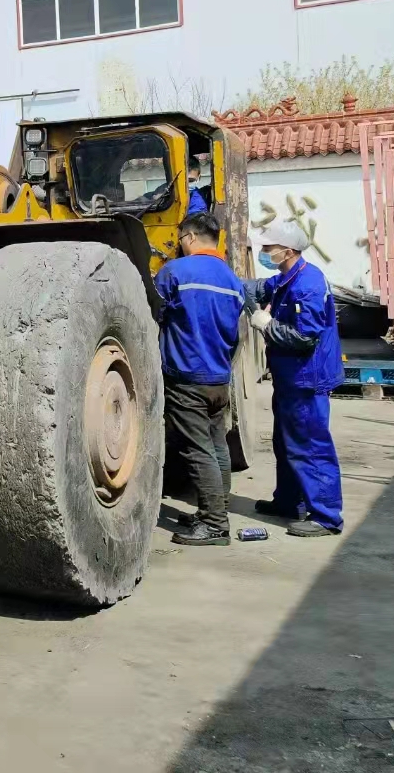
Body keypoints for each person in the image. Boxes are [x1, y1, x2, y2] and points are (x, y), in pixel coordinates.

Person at [249, 219, 346, 537]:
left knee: (310, 446)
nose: (263, 252)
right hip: (290, 379)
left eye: (268, 248)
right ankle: (289, 502)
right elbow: (258, 287)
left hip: (306, 379)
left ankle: (326, 516)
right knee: (286, 443)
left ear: (287, 250)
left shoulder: (308, 285)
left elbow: (305, 337)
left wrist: (267, 326)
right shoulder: (285, 279)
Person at [154, 211, 245, 545]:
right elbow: (235, 334)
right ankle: (215, 510)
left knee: (198, 450)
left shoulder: (175, 272)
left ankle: (215, 526)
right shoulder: (232, 281)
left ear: (189, 238)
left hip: (188, 377)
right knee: (217, 445)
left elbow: (153, 314)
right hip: (219, 379)